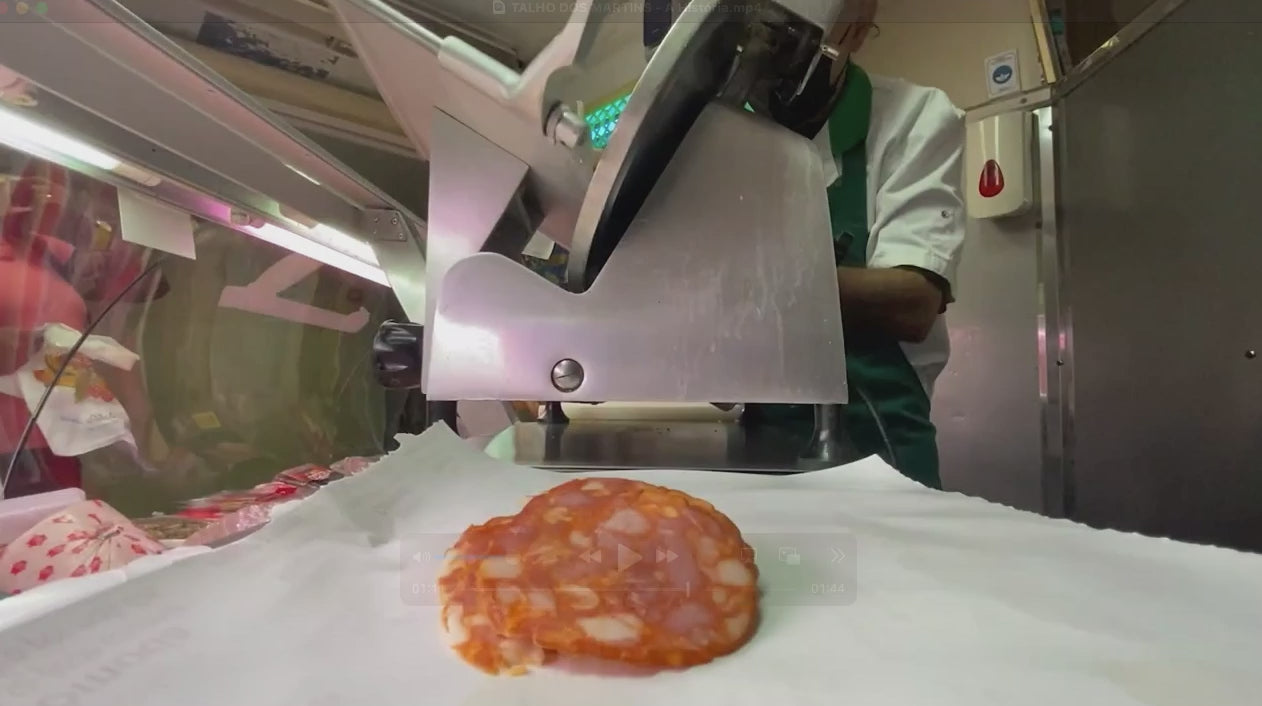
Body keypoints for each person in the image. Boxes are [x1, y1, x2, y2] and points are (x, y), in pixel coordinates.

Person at [743, 0, 966, 489]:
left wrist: (742, 289)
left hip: (879, 447)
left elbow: (913, 303)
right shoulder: (736, 139)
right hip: (758, 443)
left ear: (857, 31)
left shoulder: (913, 116)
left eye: (792, 42)